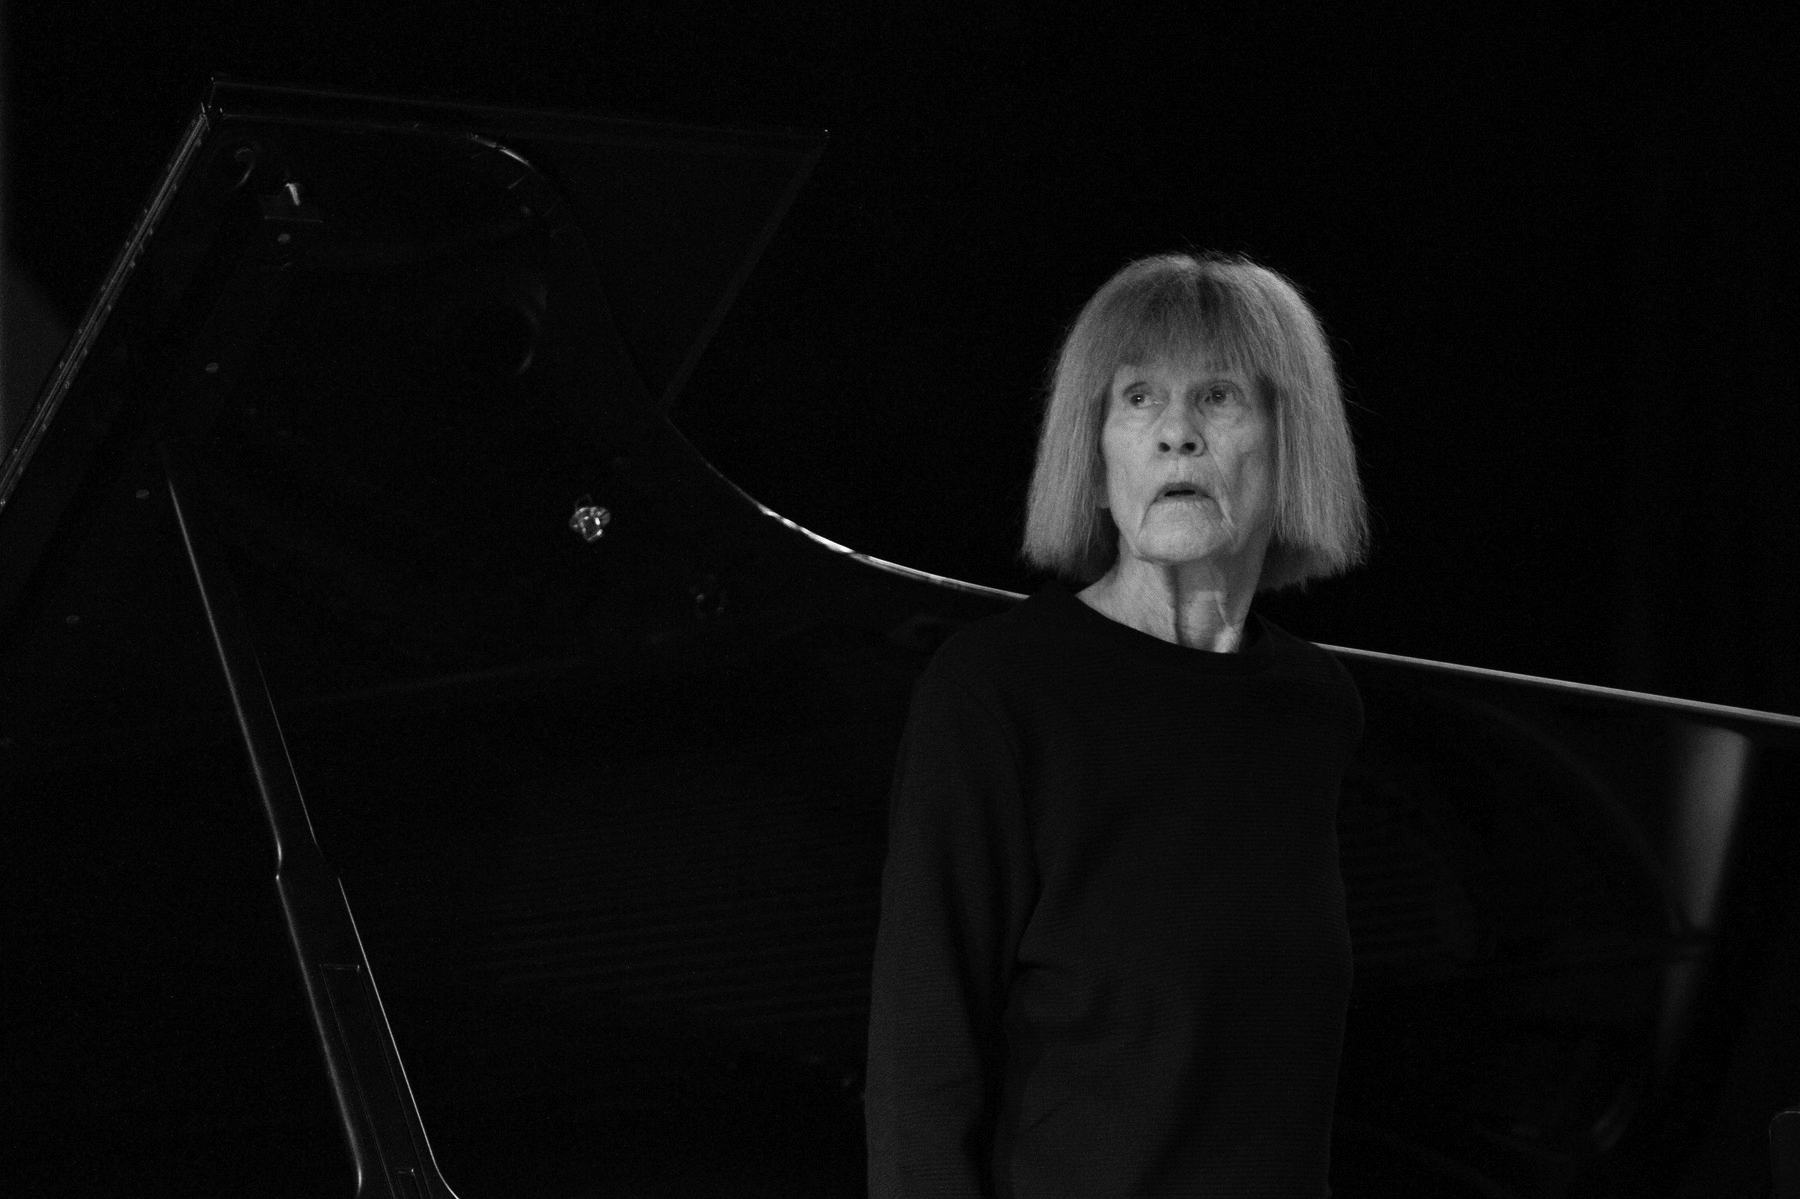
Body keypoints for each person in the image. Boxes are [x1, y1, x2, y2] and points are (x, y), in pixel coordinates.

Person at [865, 251, 1371, 1198]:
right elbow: (919, 1071)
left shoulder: (1313, 708)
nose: (1175, 432)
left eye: (1218, 396)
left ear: (1290, 442)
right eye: (1138, 399)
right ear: (1094, 458)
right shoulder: (996, 691)